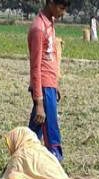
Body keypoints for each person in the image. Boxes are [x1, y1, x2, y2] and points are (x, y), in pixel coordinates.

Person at [28, 0, 70, 163]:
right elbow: (36, 66)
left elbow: (50, 58)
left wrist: (55, 84)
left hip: (49, 86)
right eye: (61, 8)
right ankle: (57, 173)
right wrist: (39, 102)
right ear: (51, 3)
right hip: (43, 88)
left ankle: (12, 170)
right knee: (52, 135)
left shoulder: (50, 22)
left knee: (31, 135)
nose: (63, 12)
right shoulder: (39, 28)